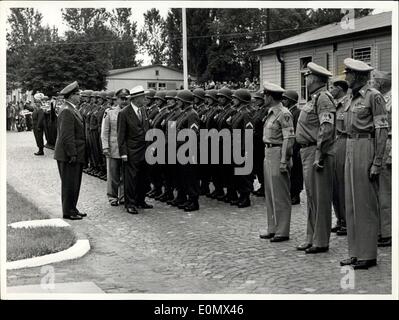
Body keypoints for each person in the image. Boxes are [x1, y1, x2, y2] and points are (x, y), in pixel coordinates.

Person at [339, 58, 389, 270]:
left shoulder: (374, 97)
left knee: (365, 204)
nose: (346, 77)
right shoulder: (351, 97)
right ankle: (355, 251)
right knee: (351, 203)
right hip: (350, 146)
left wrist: (377, 161)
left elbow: (381, 130)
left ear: (358, 76)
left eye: (348, 73)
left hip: (365, 146)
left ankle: (368, 254)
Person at [295, 62, 336, 254]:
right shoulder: (314, 98)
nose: (306, 79)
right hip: (307, 151)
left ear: (316, 79)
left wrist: (320, 153)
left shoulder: (324, 99)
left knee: (319, 197)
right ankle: (311, 237)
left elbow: (326, 129)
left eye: (308, 76)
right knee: (311, 197)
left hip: (316, 152)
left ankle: (320, 240)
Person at [259, 82, 295, 242]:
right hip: (268, 152)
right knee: (270, 192)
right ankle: (272, 227)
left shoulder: (283, 113)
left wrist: (284, 160)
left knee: (280, 194)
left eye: (265, 95)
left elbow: (289, 138)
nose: (263, 98)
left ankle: (282, 230)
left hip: (278, 152)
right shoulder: (271, 113)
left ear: (271, 96)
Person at [54, 81, 86, 220]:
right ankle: (68, 212)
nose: (80, 96)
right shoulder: (67, 110)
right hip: (69, 155)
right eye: (78, 94)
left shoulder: (71, 108)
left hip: (75, 153)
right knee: (69, 184)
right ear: (71, 96)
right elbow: (67, 136)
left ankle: (73, 207)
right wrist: (72, 153)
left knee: (74, 183)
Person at [117, 85, 152, 214]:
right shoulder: (124, 113)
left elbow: (147, 129)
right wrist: (123, 153)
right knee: (130, 179)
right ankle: (130, 203)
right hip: (131, 152)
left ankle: (140, 200)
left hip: (145, 150)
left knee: (143, 177)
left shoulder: (143, 110)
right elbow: (121, 136)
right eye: (143, 97)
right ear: (136, 98)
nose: (145, 99)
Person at [372, 70, 392, 248]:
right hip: (382, 144)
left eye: (374, 81)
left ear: (379, 84)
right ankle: (382, 229)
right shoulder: (383, 98)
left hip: (388, 146)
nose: (372, 84)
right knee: (380, 191)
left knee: (385, 192)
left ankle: (387, 232)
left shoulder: (390, 100)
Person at [174, 90, 201, 211]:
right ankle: (188, 199)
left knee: (191, 177)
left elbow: (193, 133)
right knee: (184, 176)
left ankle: (194, 201)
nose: (177, 102)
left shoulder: (192, 114)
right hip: (182, 149)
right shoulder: (184, 113)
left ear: (185, 101)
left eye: (179, 100)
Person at [329, 78, 349, 236]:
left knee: (342, 184)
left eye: (333, 87)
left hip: (343, 143)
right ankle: (339, 218)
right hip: (333, 144)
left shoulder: (348, 104)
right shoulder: (333, 105)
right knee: (334, 185)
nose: (331, 90)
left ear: (340, 89)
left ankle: (347, 221)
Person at [101, 88, 128, 206]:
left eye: (127, 99)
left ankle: (122, 196)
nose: (124, 101)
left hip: (126, 148)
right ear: (116, 99)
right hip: (113, 147)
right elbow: (105, 131)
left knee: (125, 174)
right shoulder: (110, 112)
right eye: (122, 99)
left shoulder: (130, 112)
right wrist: (105, 147)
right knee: (113, 174)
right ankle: (112, 197)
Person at [230, 89, 254, 208]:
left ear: (242, 100)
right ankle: (241, 196)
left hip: (243, 148)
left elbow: (248, 132)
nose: (233, 100)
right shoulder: (238, 112)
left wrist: (245, 150)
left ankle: (246, 198)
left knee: (244, 174)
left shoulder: (246, 113)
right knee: (239, 174)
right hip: (237, 147)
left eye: (235, 98)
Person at [281, 90, 303, 205]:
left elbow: (295, 131)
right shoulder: (288, 112)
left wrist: (295, 147)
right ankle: (290, 192)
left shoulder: (297, 112)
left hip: (295, 146)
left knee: (296, 171)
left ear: (290, 101)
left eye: (285, 99)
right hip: (290, 145)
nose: (283, 101)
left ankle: (296, 194)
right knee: (290, 171)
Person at [252, 90, 270, 197]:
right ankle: (262, 185)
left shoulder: (266, 111)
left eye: (258, 99)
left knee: (262, 166)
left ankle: (265, 187)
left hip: (261, 142)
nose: (256, 101)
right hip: (256, 142)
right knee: (258, 166)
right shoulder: (258, 110)